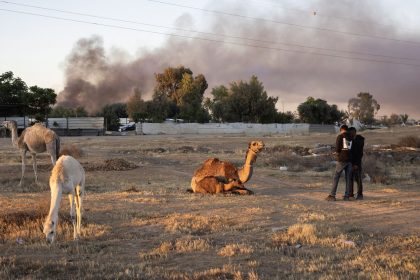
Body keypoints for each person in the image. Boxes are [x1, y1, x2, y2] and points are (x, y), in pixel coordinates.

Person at [326, 124, 352, 201]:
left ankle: (332, 195)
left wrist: (335, 153)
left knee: (336, 177)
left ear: (341, 129)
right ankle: (347, 196)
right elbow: (348, 148)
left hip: (342, 160)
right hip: (350, 160)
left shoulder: (340, 136)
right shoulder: (351, 137)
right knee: (348, 178)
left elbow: (337, 150)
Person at [348, 127, 365, 200]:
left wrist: (356, 164)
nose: (350, 135)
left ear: (354, 132)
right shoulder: (349, 140)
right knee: (350, 179)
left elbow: (359, 154)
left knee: (358, 179)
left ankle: (360, 194)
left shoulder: (359, 141)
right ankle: (351, 194)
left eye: (351, 133)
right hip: (350, 163)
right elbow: (348, 152)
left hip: (357, 163)